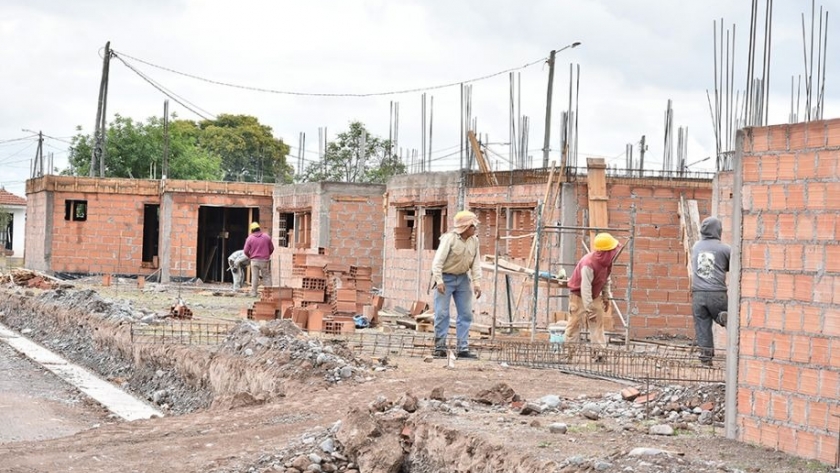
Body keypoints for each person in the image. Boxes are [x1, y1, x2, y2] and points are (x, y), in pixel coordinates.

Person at [431, 210, 482, 359]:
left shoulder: (474, 241)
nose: (475, 229)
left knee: (465, 314)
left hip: (462, 279)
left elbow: (476, 263)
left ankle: (463, 348)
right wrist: (439, 280)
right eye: (473, 226)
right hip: (446, 278)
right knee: (442, 313)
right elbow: (437, 261)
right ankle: (439, 347)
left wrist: (477, 282)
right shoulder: (450, 239)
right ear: (466, 227)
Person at [565, 233, 621, 359]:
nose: (614, 253)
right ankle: (567, 354)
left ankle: (599, 354)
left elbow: (606, 279)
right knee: (574, 326)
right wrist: (589, 308)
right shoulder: (588, 264)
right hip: (579, 296)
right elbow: (585, 288)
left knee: (597, 325)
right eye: (612, 250)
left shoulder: (606, 262)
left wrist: (606, 296)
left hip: (594, 296)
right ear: (605, 251)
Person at [690, 216, 731, 366]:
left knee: (702, 325)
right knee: (731, 321)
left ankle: (706, 359)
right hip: (717, 293)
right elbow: (731, 267)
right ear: (718, 230)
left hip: (698, 293)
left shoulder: (696, 246)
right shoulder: (725, 248)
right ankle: (721, 318)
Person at [243, 221, 274, 297]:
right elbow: (272, 248)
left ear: (252, 230)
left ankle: (253, 293)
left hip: (254, 260)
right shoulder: (266, 237)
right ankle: (269, 294)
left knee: (254, 277)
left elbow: (245, 251)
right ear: (259, 228)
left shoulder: (250, 238)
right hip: (264, 260)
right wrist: (267, 254)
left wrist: (250, 256)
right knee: (266, 276)